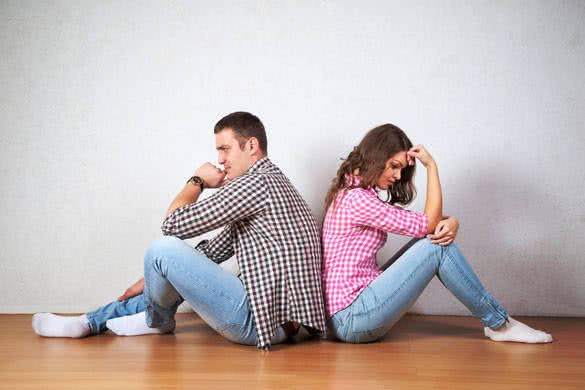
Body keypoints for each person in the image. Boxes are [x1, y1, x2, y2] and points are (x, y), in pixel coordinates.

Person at [33, 112, 326, 350]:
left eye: (225, 149)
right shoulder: (272, 184)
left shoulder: (256, 184)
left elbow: (172, 224)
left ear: (251, 145)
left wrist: (197, 180)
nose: (220, 159)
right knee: (165, 262)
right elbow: (210, 253)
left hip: (259, 322)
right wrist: (156, 277)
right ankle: (89, 322)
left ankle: (157, 321)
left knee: (161, 248)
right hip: (279, 324)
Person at [321, 124, 553, 344]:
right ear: (376, 158)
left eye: (402, 169)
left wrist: (451, 221)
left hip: (349, 311)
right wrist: (431, 166)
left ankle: (498, 323)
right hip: (351, 317)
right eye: (394, 165)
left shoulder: (355, 193)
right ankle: (500, 325)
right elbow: (428, 224)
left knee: (431, 241)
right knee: (436, 246)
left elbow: (425, 225)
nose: (399, 176)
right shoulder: (357, 200)